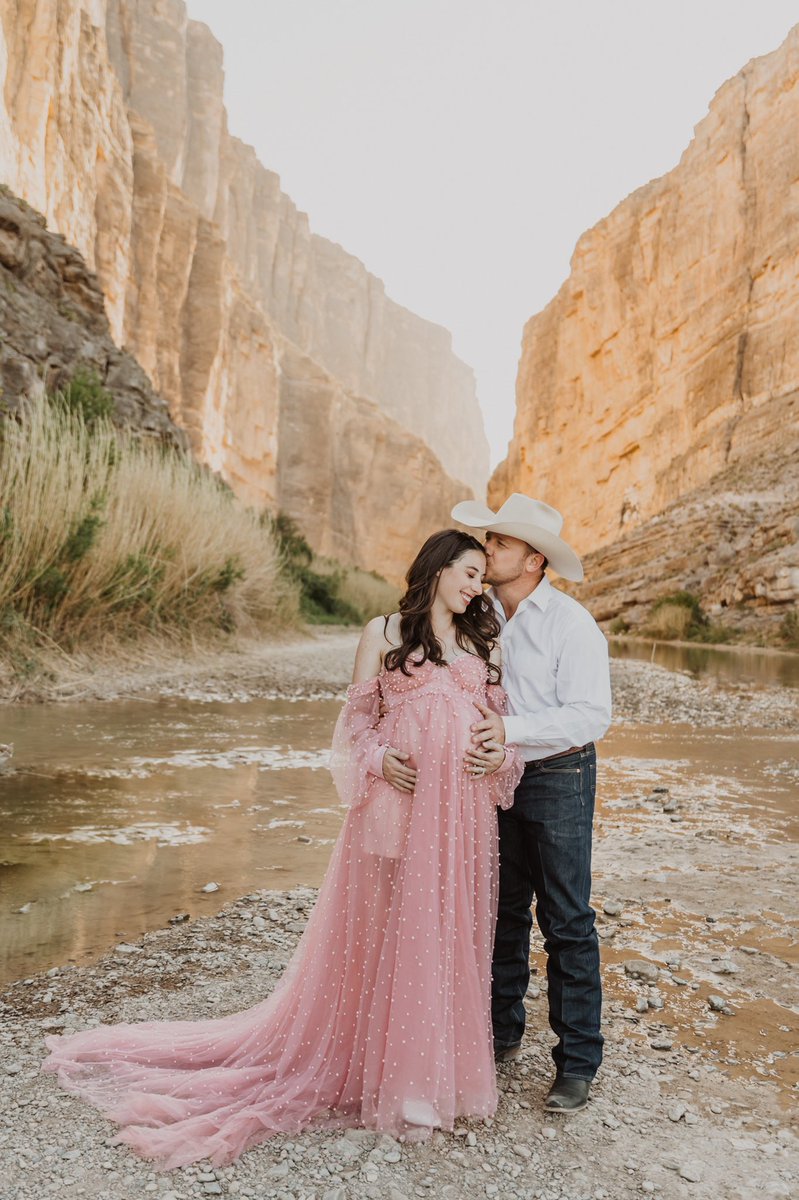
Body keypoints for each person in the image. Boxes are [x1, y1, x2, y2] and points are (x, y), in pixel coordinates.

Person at [42, 530, 522, 1169]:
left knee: (441, 932)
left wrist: (496, 748)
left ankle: (429, 1075)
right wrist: (382, 759)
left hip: (457, 816)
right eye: (467, 572)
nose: (475, 587)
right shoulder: (382, 633)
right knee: (385, 931)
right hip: (394, 807)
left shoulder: (479, 645)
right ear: (436, 569)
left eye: (481, 580)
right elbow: (352, 730)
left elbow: (500, 732)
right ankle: (383, 1073)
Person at [453, 493, 612, 1114]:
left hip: (559, 773)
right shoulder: (479, 611)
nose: (487, 550)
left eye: (500, 543)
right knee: (503, 909)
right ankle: (500, 1034)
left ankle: (577, 1064)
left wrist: (509, 733)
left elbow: (591, 714)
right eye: (489, 540)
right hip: (496, 776)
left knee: (568, 919)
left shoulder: (570, 624)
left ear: (534, 559)